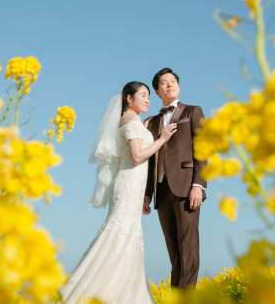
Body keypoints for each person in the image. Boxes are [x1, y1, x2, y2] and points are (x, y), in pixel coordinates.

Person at [61, 81, 177, 304]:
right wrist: (162, 139)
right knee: (121, 231)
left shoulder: (131, 121)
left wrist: (143, 127)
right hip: (128, 183)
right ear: (129, 98)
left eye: (148, 96)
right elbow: (136, 156)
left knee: (126, 231)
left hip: (130, 184)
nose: (147, 99)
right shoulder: (130, 120)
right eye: (142, 95)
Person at [143, 68, 207, 289]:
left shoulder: (193, 111)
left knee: (188, 248)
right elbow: (150, 160)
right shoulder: (151, 123)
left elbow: (203, 150)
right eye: (164, 82)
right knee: (174, 252)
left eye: (173, 81)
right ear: (157, 91)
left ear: (178, 86)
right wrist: (146, 195)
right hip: (161, 191)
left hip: (186, 188)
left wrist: (198, 185)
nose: (170, 84)